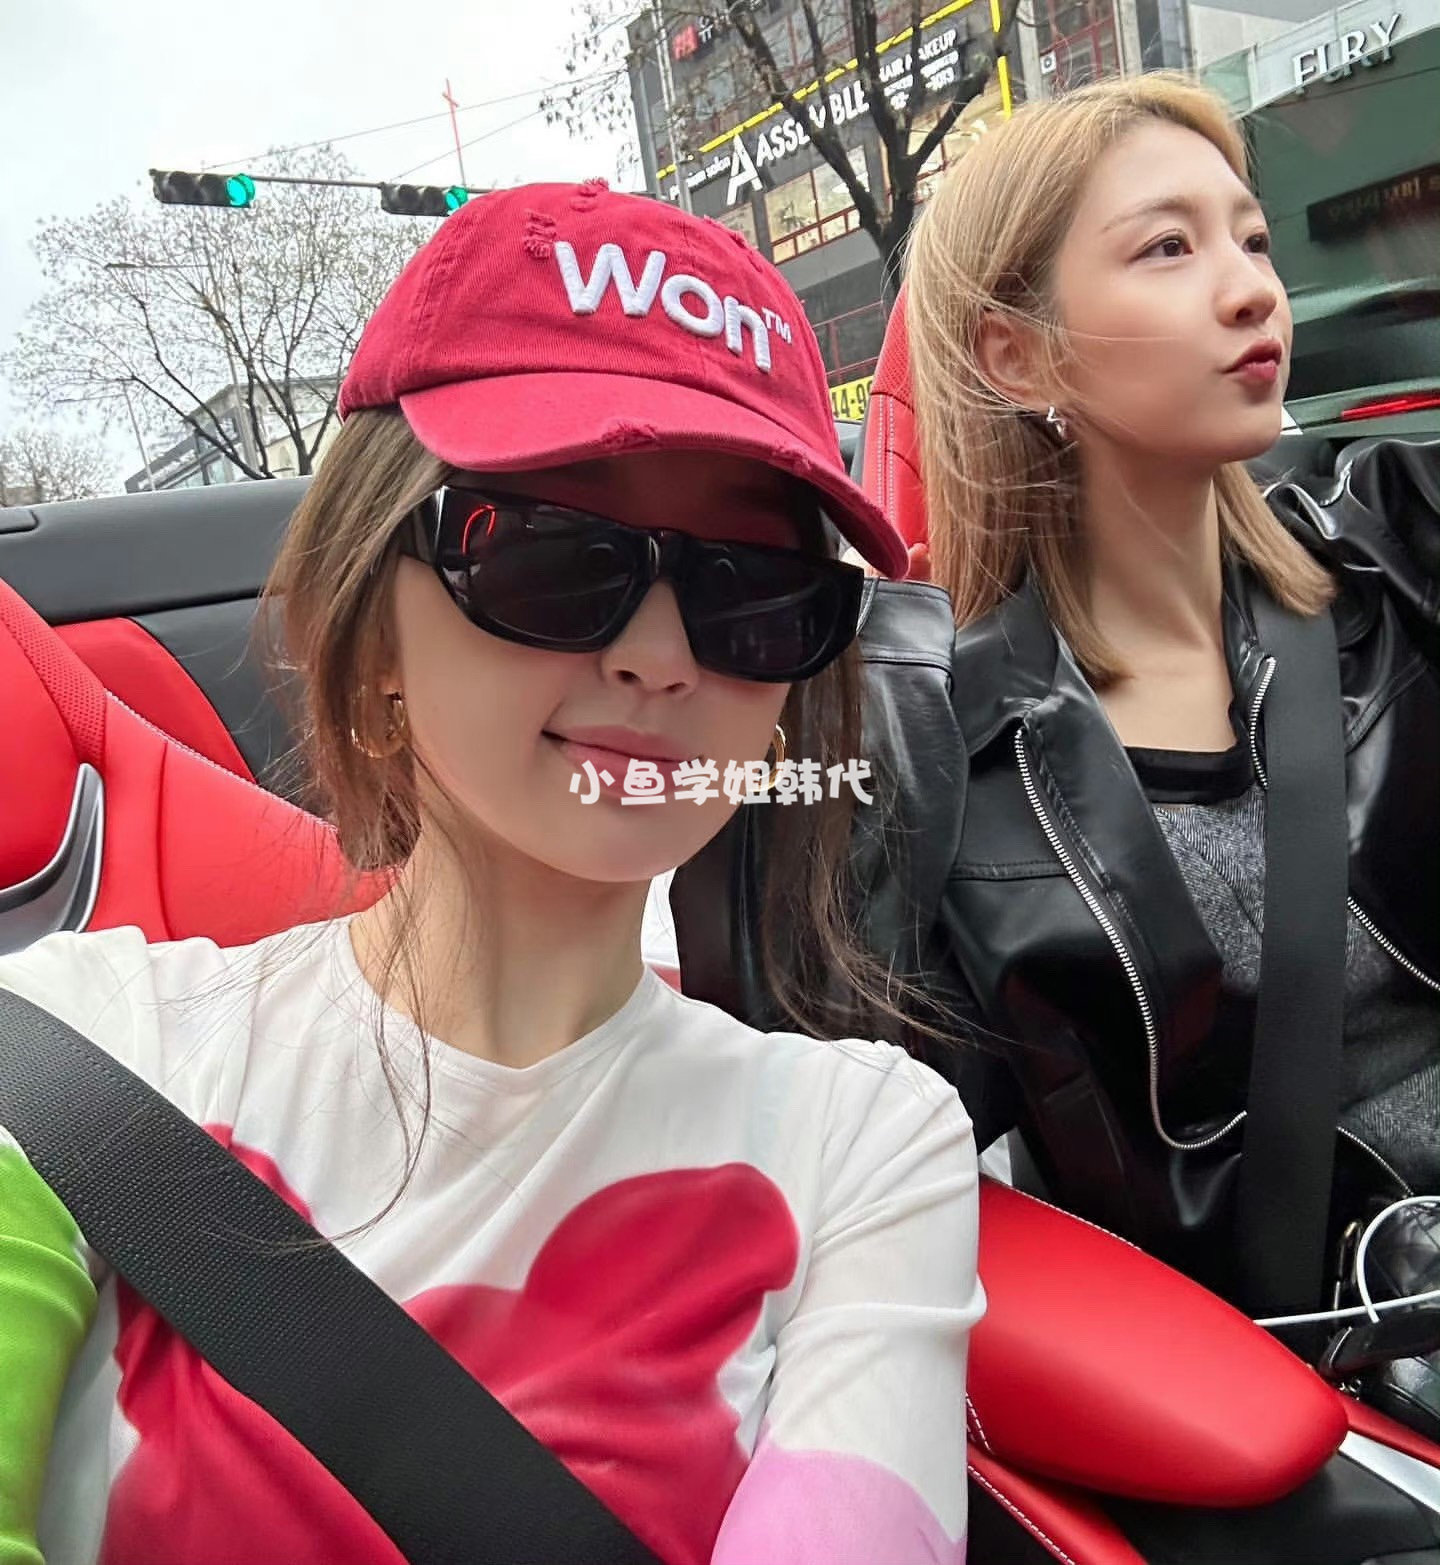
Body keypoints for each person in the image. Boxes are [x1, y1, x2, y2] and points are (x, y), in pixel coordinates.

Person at [0, 182, 982, 1565]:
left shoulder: (867, 1144)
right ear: (371, 621)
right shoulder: (81, 1047)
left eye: (753, 588)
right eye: (552, 557)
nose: (660, 657)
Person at [896, 75, 1439, 1425]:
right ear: (1017, 357)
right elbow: (869, 1200)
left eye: (1251, 238)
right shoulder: (950, 767)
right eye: (1169, 248)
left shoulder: (1400, 550)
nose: (1253, 290)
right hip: (1312, 1422)